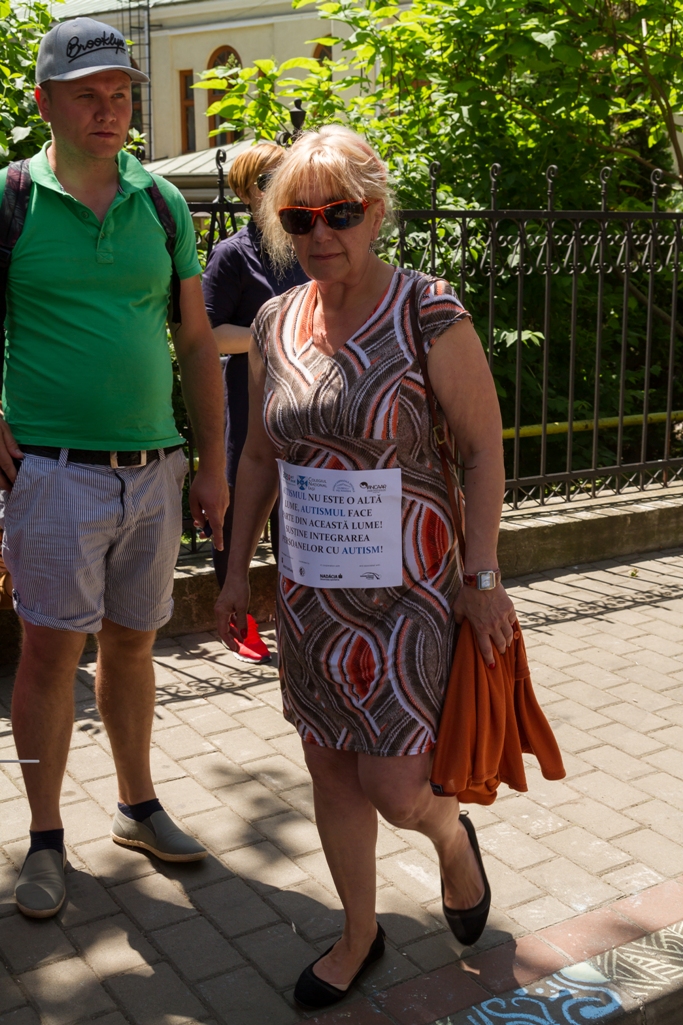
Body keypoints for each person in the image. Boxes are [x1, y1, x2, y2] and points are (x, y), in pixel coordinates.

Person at [215, 126, 516, 1009]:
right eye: (299, 218)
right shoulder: (274, 320)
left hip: (411, 593)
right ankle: (357, 933)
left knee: (396, 786)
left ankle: (451, 841)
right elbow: (259, 456)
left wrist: (482, 576)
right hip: (311, 595)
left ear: (376, 213)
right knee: (329, 770)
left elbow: (483, 450)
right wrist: (234, 571)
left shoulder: (429, 311)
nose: (320, 233)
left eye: (339, 213)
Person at [0, 17, 228, 918]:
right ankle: (44, 838)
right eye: (88, 95)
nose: (109, 111)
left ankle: (137, 807)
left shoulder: (161, 202)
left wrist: (210, 462)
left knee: (134, 643)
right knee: (50, 653)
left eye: (121, 95)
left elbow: (197, 339)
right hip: (52, 471)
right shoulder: (12, 199)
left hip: (154, 468)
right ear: (45, 102)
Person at [203, 142, 307, 663]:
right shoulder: (232, 254)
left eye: (286, 174)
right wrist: (275, 335)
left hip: (305, 403)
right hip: (250, 401)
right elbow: (208, 333)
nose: (279, 185)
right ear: (245, 192)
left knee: (299, 511)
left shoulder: (307, 243)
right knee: (238, 509)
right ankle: (236, 619)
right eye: (267, 179)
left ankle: (298, 619)